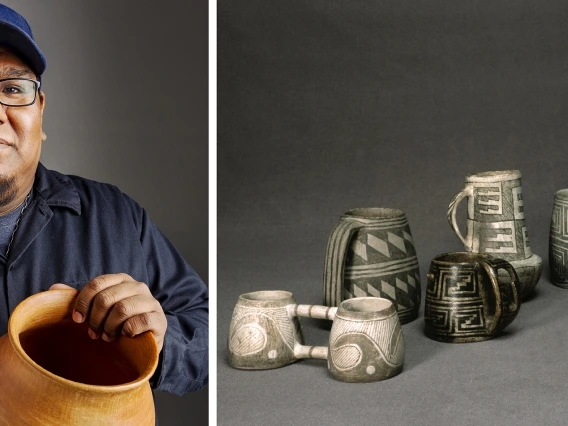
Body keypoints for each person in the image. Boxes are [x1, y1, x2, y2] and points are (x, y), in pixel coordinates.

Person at [0, 3, 208, 396]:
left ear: (40, 114)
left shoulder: (115, 215)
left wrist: (159, 343)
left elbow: (208, 324)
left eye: (13, 89)